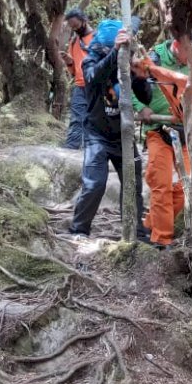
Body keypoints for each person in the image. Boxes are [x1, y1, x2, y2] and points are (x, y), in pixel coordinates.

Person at [68, 20, 151, 240]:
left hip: (122, 136)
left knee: (133, 185)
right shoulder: (91, 61)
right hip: (97, 134)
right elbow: (93, 76)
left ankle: (135, 232)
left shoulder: (125, 64)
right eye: (109, 48)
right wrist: (114, 52)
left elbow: (146, 97)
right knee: (95, 184)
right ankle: (79, 229)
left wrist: (141, 77)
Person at [134, 33, 192, 248]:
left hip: (186, 134)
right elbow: (132, 84)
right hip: (159, 130)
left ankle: (152, 223)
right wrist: (141, 108)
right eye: (189, 51)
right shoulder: (154, 59)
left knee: (182, 189)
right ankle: (161, 238)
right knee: (161, 184)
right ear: (177, 45)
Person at [62, 9, 94, 150]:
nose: (74, 29)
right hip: (79, 86)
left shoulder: (98, 37)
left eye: (76, 25)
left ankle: (91, 148)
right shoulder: (74, 41)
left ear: (84, 20)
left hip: (96, 86)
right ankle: (71, 148)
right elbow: (74, 71)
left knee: (93, 120)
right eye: (72, 27)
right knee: (76, 119)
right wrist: (69, 61)